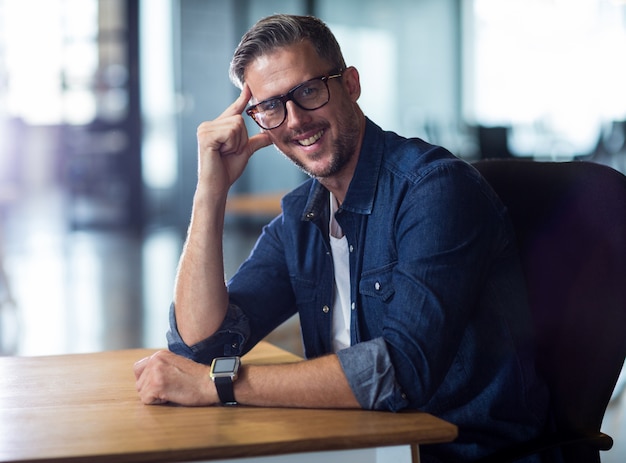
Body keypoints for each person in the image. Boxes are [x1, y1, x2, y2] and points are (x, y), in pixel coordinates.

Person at [134, 14, 549, 462]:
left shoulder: (434, 190)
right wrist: (210, 192)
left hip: (460, 452)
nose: (295, 121)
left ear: (350, 84)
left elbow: (401, 371)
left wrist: (220, 384)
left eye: (309, 91)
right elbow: (201, 346)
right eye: (271, 106)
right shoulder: (302, 215)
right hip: (359, 444)